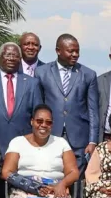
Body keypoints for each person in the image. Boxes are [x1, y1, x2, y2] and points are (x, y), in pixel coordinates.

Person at [37, 34, 100, 168]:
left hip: (79, 139)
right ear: (58, 51)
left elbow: (93, 111)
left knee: (77, 177)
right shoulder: (41, 72)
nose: (75, 55)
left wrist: (92, 141)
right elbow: (37, 108)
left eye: (77, 51)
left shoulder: (88, 74)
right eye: (71, 51)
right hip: (50, 135)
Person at [0, 43, 43, 155]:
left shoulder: (32, 83)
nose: (11, 58)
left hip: (24, 146)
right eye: (7, 55)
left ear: (20, 59)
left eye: (15, 55)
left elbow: (38, 116)